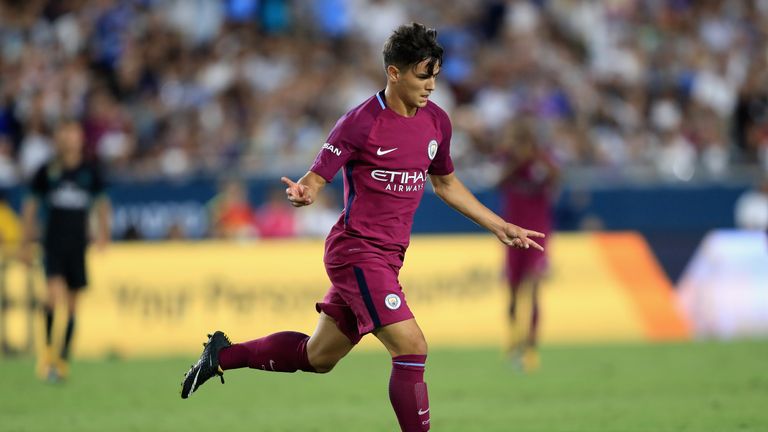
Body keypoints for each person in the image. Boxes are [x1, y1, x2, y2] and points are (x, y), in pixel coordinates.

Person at [180, 23, 544, 431]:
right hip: (355, 252)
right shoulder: (360, 122)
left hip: (387, 259)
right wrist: (306, 191)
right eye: (423, 76)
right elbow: (316, 178)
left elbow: (444, 183)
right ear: (394, 72)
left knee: (317, 357)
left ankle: (222, 356)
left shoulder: (438, 122)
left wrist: (499, 225)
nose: (431, 86)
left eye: (435, 76)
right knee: (412, 346)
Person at [20, 118, 111, 382]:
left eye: (73, 133)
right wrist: (26, 243)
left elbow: (102, 204)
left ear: (80, 138)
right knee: (51, 297)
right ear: (58, 138)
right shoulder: (47, 171)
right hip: (53, 244)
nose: (69, 138)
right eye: (64, 133)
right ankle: (47, 355)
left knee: (72, 307)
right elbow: (30, 207)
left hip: (77, 246)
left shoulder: (89, 171)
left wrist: (103, 234)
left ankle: (62, 359)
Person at [497, 121, 559, 372]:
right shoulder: (508, 162)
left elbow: (557, 178)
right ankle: (514, 342)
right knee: (512, 292)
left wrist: (537, 160)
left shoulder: (542, 163)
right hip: (512, 235)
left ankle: (531, 347)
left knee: (533, 289)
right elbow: (498, 181)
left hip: (538, 235)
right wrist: (518, 162)